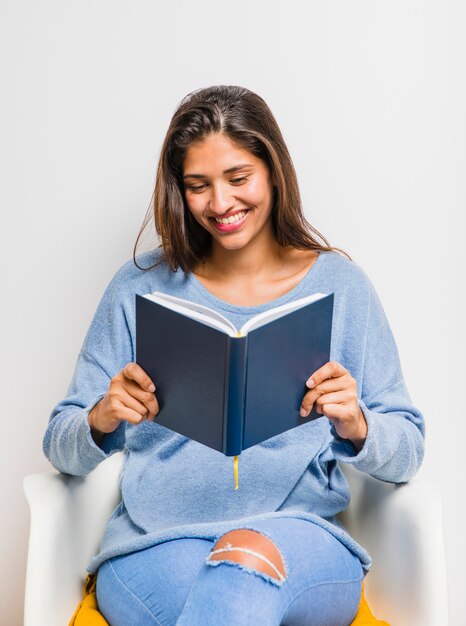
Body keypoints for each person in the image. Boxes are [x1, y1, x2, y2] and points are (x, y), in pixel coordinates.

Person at [43, 84, 425, 626]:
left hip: (301, 540)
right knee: (230, 600)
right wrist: (102, 418)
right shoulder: (139, 287)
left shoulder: (342, 286)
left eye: (238, 179)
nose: (220, 205)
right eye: (198, 186)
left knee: (244, 565)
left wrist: (359, 423)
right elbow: (60, 447)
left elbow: (408, 449)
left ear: (274, 171)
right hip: (156, 545)